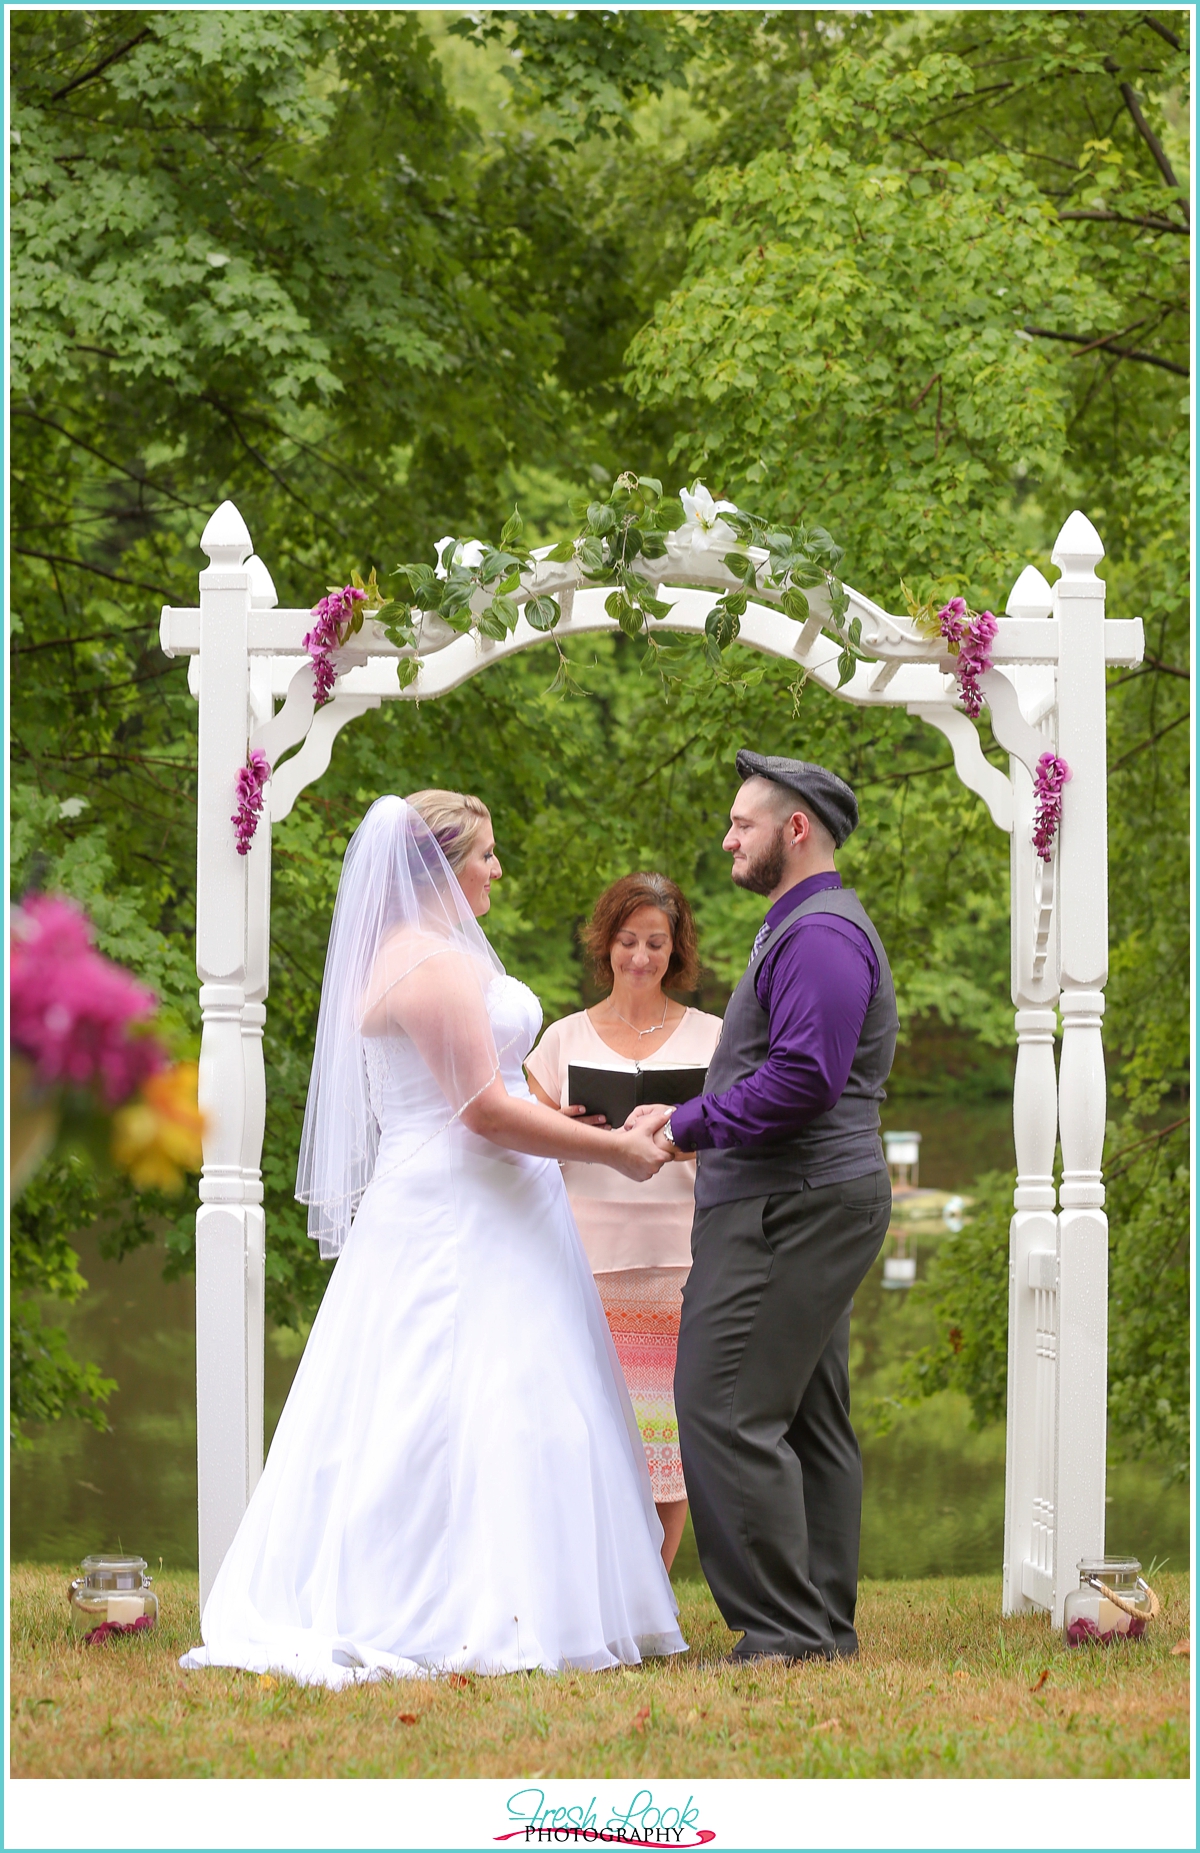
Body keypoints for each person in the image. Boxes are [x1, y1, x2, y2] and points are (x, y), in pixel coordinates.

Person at [181, 790, 685, 1687]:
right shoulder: (435, 966)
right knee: (465, 1401)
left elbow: (492, 1092)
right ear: (441, 866)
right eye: (485, 854)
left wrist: (562, 1117)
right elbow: (482, 1112)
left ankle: (515, 1593)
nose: (497, 869)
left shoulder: (407, 956)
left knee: (466, 1398)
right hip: (462, 1209)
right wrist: (612, 1148)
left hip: (465, 1198)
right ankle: (460, 1603)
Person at [634, 750, 897, 1665]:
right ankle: (819, 1622)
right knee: (808, 1413)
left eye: (742, 823)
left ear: (795, 829)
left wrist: (685, 1124)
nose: (727, 837)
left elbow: (804, 1079)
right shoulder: (801, 926)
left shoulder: (821, 934)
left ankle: (784, 1629)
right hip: (801, 1197)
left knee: (723, 1403)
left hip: (793, 1202)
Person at [525, 874, 723, 1571]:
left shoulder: (713, 1037)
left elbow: (748, 1135)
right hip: (586, 1258)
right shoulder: (562, 1038)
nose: (641, 956)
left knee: (669, 1440)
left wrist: (687, 1133)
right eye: (628, 940)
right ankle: (598, 1586)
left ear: (677, 950)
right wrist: (564, 1124)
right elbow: (518, 1143)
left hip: (684, 1257)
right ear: (605, 944)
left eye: (656, 942)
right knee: (598, 1435)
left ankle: (651, 1594)